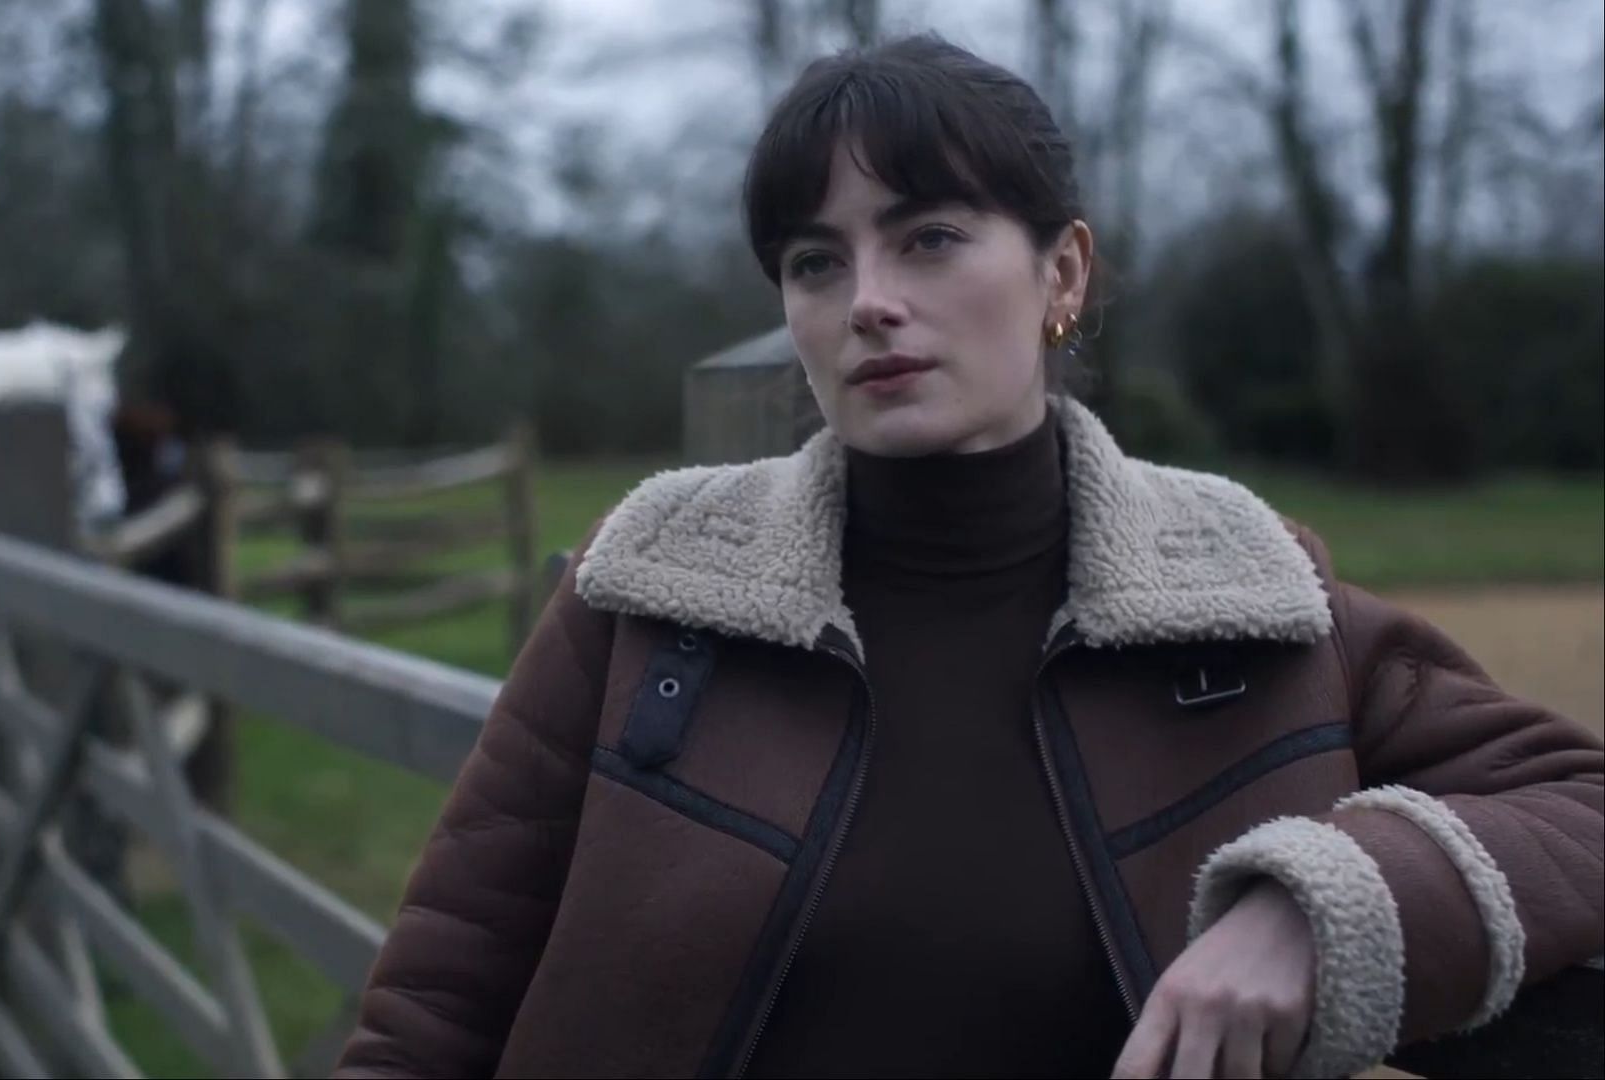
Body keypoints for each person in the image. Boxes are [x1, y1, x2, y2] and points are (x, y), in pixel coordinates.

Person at [333, 33, 1603, 1080]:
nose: (866, 299)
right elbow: (439, 998)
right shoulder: (649, 584)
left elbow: (1583, 805)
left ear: (1063, 269)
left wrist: (1327, 908)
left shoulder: (1253, 592)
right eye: (815, 261)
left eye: (928, 236)